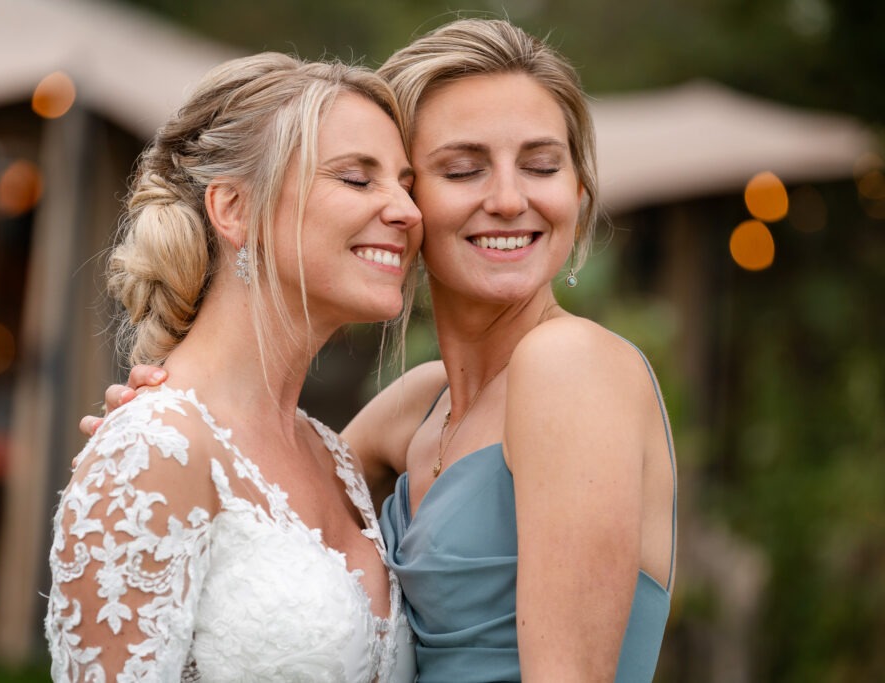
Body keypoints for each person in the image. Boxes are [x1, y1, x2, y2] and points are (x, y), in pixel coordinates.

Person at [85, 18, 677, 683]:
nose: (510, 199)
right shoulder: (417, 407)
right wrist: (160, 440)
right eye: (462, 168)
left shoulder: (570, 363)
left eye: (542, 166)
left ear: (578, 193)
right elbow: (265, 504)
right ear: (411, 199)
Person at [47, 53, 423, 682]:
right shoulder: (150, 447)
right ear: (235, 210)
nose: (408, 212)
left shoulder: (334, 458)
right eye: (357, 180)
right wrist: (149, 449)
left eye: (405, 183)